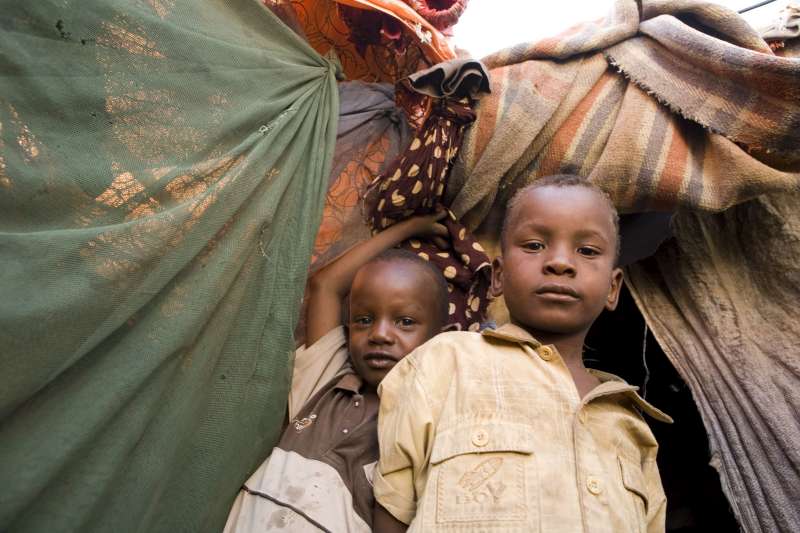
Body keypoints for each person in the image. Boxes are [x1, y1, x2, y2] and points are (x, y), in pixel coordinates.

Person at [373, 174, 673, 533]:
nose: (560, 262)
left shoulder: (630, 425)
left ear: (613, 289)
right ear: (497, 276)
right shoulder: (444, 362)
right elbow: (392, 511)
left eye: (588, 251)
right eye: (534, 245)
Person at [223, 213, 450, 533]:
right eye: (364, 320)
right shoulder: (328, 378)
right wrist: (409, 227)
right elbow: (325, 285)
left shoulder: (425, 423)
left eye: (405, 322)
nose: (380, 335)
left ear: (441, 340)